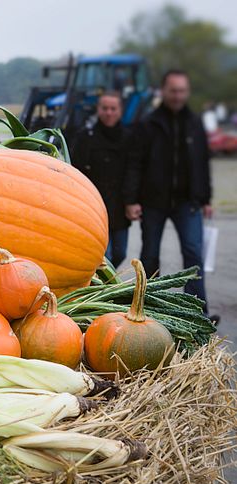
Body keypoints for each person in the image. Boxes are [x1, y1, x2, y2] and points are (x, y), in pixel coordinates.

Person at [123, 69, 217, 322]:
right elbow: (135, 163)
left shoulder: (195, 123)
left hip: (188, 202)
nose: (178, 96)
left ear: (187, 92)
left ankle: (197, 313)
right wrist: (131, 199)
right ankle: (149, 310)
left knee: (193, 255)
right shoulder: (148, 124)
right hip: (154, 202)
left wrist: (206, 198)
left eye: (182, 91)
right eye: (173, 91)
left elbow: (202, 161)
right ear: (163, 91)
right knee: (150, 255)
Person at [71, 91, 131, 268]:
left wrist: (132, 200)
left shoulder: (128, 138)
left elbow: (134, 170)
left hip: (119, 205)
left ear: (120, 111)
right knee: (106, 257)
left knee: (120, 253)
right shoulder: (85, 137)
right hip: (95, 206)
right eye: (105, 108)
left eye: (113, 108)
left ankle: (105, 284)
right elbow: (76, 171)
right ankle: (104, 291)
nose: (109, 113)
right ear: (98, 109)